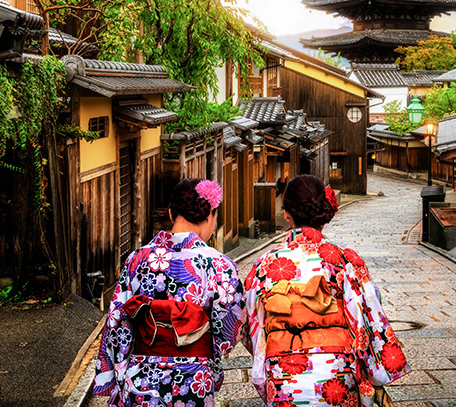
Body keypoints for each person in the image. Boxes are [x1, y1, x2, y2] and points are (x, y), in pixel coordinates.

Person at [243, 174, 409, 406]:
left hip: (283, 373)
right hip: (336, 371)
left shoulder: (264, 265)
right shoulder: (345, 259)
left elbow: (250, 327)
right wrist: (372, 371)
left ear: (286, 213)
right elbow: (369, 320)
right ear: (323, 211)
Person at [94, 178, 245, 407]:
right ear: (209, 216)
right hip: (195, 376)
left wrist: (117, 372)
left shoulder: (137, 259)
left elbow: (117, 322)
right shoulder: (219, 264)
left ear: (171, 213)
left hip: (141, 377)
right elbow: (230, 331)